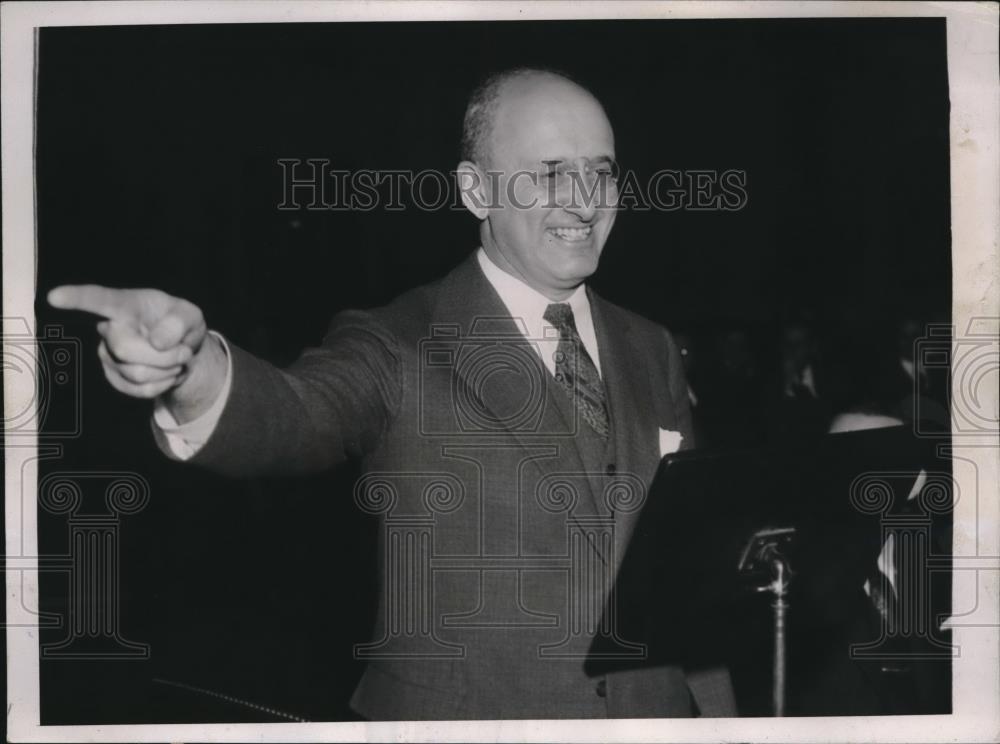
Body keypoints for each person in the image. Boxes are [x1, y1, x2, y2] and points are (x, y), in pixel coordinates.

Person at [48, 68, 734, 719]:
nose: (584, 201)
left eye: (601, 172)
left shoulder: (650, 347)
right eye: (550, 173)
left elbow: (693, 562)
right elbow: (299, 411)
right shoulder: (398, 339)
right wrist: (193, 371)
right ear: (476, 191)